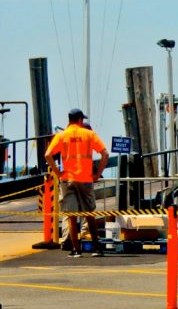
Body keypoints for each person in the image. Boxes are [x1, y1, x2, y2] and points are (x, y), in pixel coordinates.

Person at [45, 108, 109, 258]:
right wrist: (97, 173)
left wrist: (57, 172)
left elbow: (48, 155)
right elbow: (105, 154)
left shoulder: (62, 136)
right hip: (86, 179)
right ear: (80, 120)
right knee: (89, 214)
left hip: (68, 180)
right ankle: (96, 248)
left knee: (72, 216)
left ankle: (76, 250)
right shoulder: (89, 134)